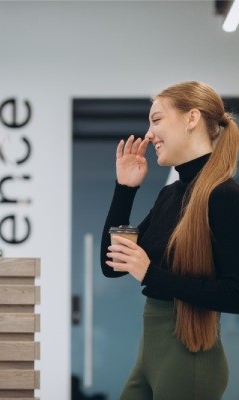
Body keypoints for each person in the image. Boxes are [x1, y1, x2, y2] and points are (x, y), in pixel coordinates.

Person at [100, 81, 239, 400]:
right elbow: (113, 266)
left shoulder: (224, 196)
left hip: (189, 362)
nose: (149, 134)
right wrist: (125, 189)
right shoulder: (170, 194)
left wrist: (152, 275)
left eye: (157, 120)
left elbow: (236, 293)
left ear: (192, 119)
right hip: (150, 354)